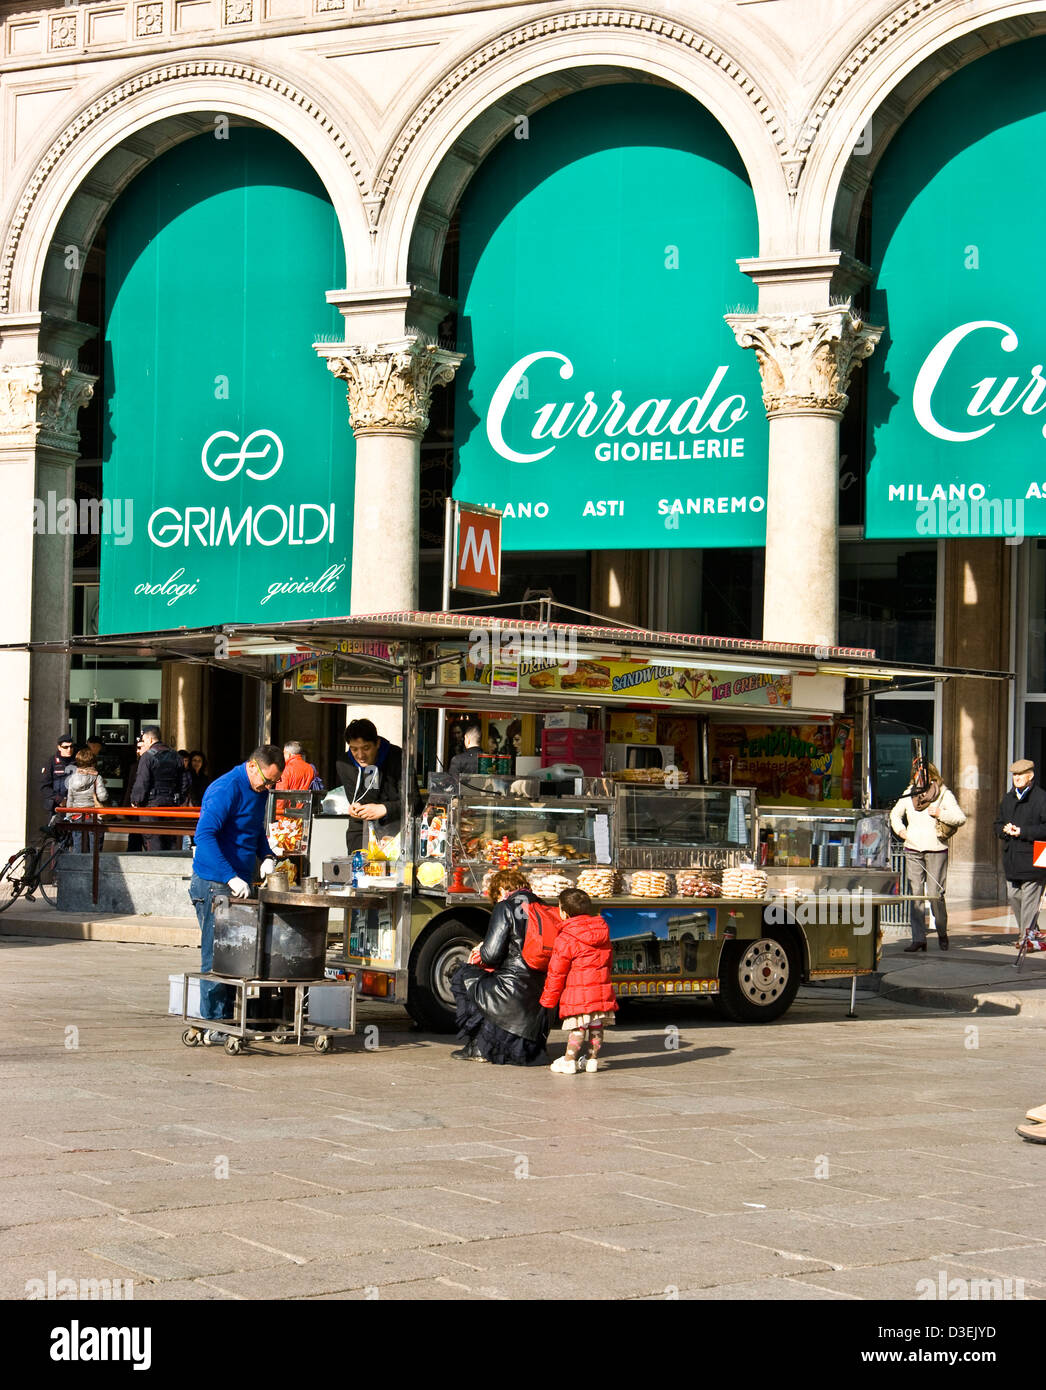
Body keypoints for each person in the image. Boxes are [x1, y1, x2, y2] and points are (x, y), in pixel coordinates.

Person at [189, 744, 284, 1033]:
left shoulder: (260, 791)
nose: (269, 786)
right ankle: (215, 1023)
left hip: (238, 883)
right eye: (267, 780)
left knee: (235, 957)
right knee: (217, 956)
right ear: (253, 766)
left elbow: (254, 831)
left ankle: (229, 1020)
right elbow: (204, 835)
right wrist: (230, 877)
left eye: (274, 782)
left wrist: (266, 855)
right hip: (214, 884)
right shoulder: (226, 788)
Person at [449, 868, 551, 1065]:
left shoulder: (506, 906)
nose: (496, 901)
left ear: (502, 890)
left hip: (510, 989)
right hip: (540, 995)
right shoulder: (545, 907)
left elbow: (491, 956)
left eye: (495, 897)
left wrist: (480, 950)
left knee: (462, 975)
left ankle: (479, 1046)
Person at [890, 759, 966, 952]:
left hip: (936, 849)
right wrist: (902, 832)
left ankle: (941, 932)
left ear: (931, 775)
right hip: (913, 849)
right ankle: (918, 939)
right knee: (915, 896)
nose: (918, 776)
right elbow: (894, 815)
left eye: (922, 773)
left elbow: (960, 818)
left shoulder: (943, 794)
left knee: (935, 896)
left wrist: (941, 813)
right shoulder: (909, 794)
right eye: (916, 773)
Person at [540, 887, 618, 1073]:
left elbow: (556, 972)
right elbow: (608, 962)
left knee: (578, 1028)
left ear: (563, 912)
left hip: (577, 992)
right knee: (597, 1026)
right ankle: (592, 1060)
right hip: (601, 989)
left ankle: (569, 1060)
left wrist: (548, 1000)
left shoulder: (566, 937)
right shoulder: (603, 933)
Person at [337, 718, 410, 853]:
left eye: (366, 748)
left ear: (377, 743)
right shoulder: (344, 763)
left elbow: (413, 802)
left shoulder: (398, 757)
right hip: (361, 830)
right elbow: (360, 796)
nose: (360, 755)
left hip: (395, 832)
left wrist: (385, 808)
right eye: (354, 749)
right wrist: (355, 807)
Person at [994, 758, 1046, 947]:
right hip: (1012, 859)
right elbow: (997, 823)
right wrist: (1004, 830)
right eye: (1014, 775)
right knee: (1014, 896)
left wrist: (1023, 831)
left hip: (1033, 857)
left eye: (1020, 775)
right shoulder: (1008, 798)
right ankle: (1033, 931)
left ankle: (1026, 938)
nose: (1016, 778)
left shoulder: (1041, 798)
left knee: (1030, 900)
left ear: (1030, 776)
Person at [131, 725, 191, 850]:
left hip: (151, 806)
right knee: (171, 841)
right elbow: (185, 781)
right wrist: (179, 799)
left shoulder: (147, 757)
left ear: (150, 740)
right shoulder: (176, 756)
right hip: (171, 804)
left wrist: (136, 800)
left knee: (153, 842)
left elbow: (142, 781)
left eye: (144, 740)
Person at [40, 733, 75, 815]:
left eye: (71, 746)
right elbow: (44, 786)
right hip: (56, 806)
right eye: (65, 747)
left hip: (74, 805)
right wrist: (59, 799)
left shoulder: (77, 760)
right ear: (59, 747)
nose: (69, 749)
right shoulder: (51, 762)